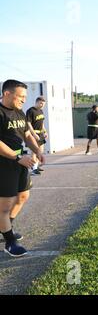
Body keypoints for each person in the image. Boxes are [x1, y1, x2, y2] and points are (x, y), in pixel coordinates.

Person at [0, 79, 45, 257]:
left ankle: (6, 228)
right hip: (4, 162)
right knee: (5, 205)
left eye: (26, 97)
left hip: (20, 161)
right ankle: (10, 242)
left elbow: (27, 135)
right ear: (7, 93)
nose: (24, 100)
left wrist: (37, 151)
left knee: (23, 196)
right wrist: (17, 157)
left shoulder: (19, 113)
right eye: (21, 96)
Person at [26, 96, 48, 175]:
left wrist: (45, 132)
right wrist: (34, 134)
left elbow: (41, 123)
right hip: (33, 134)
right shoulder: (30, 111)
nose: (42, 105)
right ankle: (33, 169)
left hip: (40, 134)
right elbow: (28, 123)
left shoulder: (41, 111)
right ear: (37, 102)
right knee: (34, 152)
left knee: (40, 151)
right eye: (41, 103)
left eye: (43, 104)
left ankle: (36, 166)